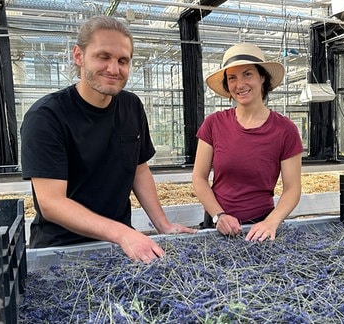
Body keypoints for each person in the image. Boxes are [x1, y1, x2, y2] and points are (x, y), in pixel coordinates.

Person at [20, 15, 196, 263]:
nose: (114, 69)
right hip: (62, 252)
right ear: (79, 56)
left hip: (119, 249)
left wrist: (163, 225)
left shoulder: (131, 106)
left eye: (123, 60)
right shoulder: (47, 117)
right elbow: (51, 203)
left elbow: (139, 169)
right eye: (103, 57)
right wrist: (122, 233)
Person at [192, 43, 304, 242]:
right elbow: (199, 178)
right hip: (219, 225)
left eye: (247, 74)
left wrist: (272, 221)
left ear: (262, 77)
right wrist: (219, 216)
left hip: (262, 226)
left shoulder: (285, 130)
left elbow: (292, 188)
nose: (240, 84)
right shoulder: (214, 124)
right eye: (232, 78)